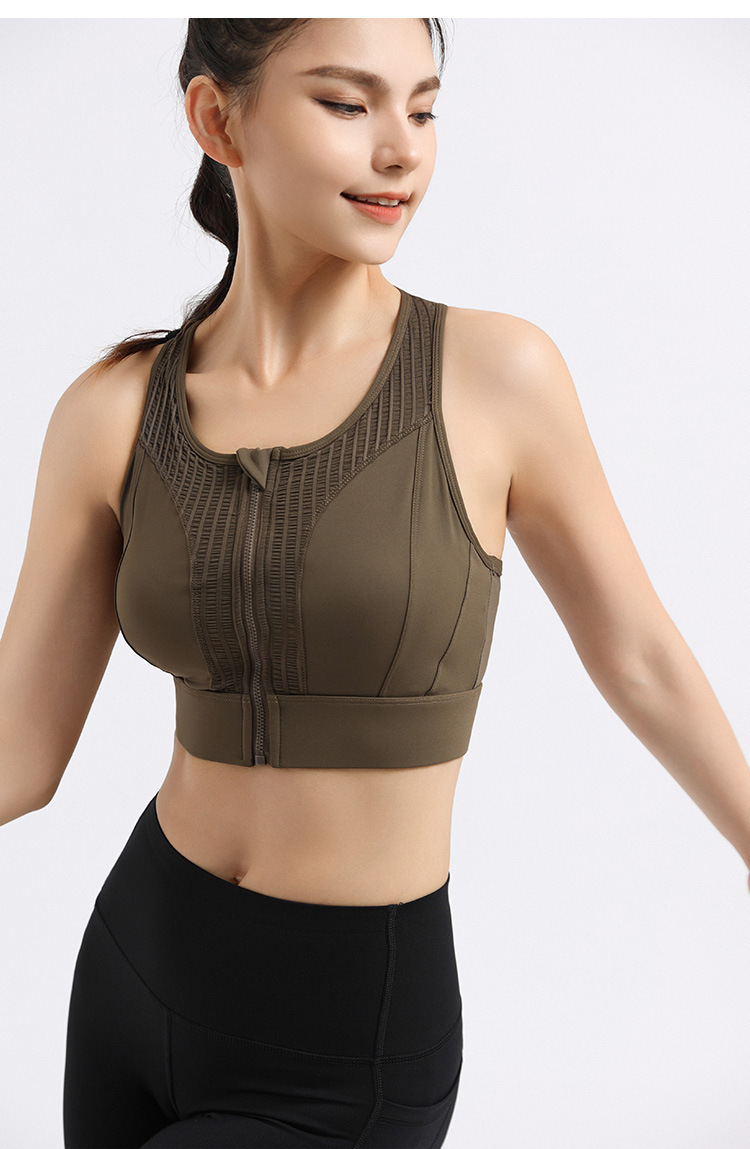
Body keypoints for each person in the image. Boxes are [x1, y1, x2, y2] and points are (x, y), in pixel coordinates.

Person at [1, 16, 748, 1149]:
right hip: (133, 966)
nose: (401, 148)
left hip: (345, 1043)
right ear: (217, 119)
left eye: (424, 107)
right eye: (349, 104)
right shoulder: (113, 409)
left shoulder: (496, 375)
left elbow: (636, 653)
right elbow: (20, 752)